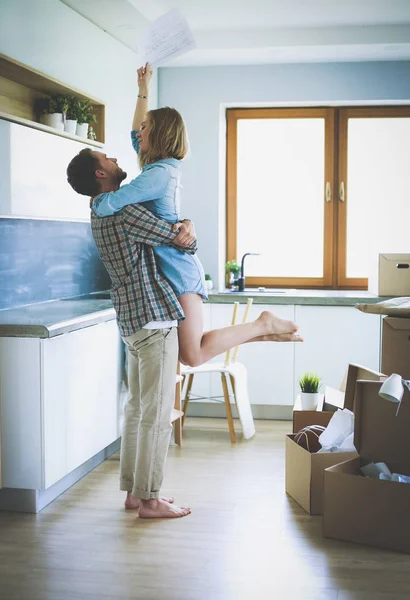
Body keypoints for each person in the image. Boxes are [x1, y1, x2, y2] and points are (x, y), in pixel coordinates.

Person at [90, 63, 303, 368]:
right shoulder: (159, 168)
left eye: (146, 127)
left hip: (178, 269)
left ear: (160, 134)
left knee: (193, 355)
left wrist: (95, 203)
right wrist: (143, 91)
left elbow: (115, 202)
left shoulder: (157, 175)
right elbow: (134, 134)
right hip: (170, 267)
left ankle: (263, 325)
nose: (140, 132)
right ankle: (265, 330)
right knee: (189, 354)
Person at [67, 152, 198, 519]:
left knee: (138, 409)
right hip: (154, 319)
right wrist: (188, 224)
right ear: (100, 172)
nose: (113, 158)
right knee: (156, 415)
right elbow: (182, 241)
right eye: (105, 157)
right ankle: (151, 500)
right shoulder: (125, 213)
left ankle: (132, 493)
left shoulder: (98, 210)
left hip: (131, 322)